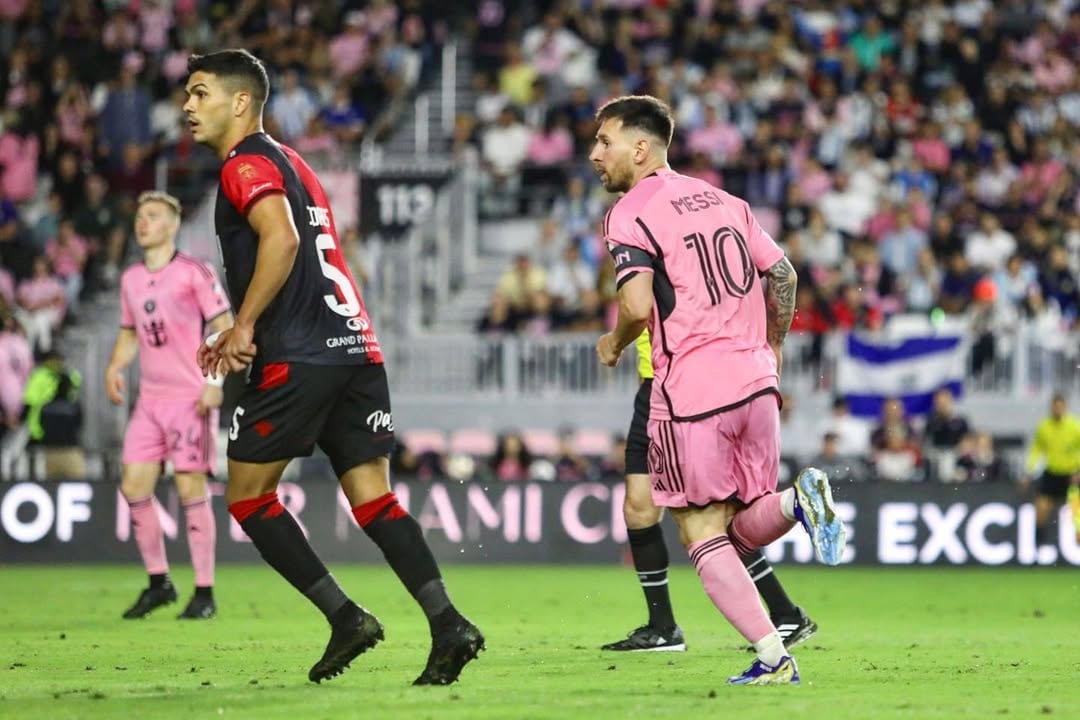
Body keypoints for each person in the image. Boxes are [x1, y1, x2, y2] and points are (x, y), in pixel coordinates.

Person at [183, 49, 482, 685]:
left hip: (297, 355)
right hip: (355, 347)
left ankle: (346, 617)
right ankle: (448, 622)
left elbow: (284, 239)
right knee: (373, 498)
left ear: (241, 102)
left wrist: (244, 325)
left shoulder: (245, 164)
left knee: (247, 496)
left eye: (200, 92)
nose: (188, 105)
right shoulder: (296, 162)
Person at [591, 95, 845, 685]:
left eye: (605, 142)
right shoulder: (727, 200)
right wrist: (773, 346)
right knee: (738, 524)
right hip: (757, 382)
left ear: (641, 146)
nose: (594, 154)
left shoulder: (631, 211)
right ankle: (795, 503)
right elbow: (782, 273)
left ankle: (774, 658)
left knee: (699, 533)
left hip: (690, 392)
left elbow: (635, 304)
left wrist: (615, 340)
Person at [601, 328, 817, 653]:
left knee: (706, 519)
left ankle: (784, 613)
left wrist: (615, 341)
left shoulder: (661, 275)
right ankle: (663, 627)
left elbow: (637, 307)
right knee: (638, 509)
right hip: (654, 387)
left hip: (687, 385)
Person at [105, 191, 233, 620]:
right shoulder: (131, 279)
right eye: (140, 215)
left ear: (173, 224)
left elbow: (223, 325)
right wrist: (115, 367)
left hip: (188, 398)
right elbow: (128, 331)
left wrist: (215, 380)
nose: (143, 222)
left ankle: (205, 592)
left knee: (189, 490)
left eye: (153, 215)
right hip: (150, 402)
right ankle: (159, 582)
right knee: (134, 486)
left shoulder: (194, 272)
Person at [1023, 392, 1080, 548]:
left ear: (1065, 407)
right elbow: (1037, 449)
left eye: (1060, 407)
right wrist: (1029, 471)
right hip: (1052, 473)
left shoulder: (1074, 426)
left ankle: (1078, 541)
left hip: (1072, 475)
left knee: (1077, 513)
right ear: (1051, 407)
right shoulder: (1044, 426)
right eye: (1055, 407)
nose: (1058, 410)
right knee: (1041, 508)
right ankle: (1038, 546)